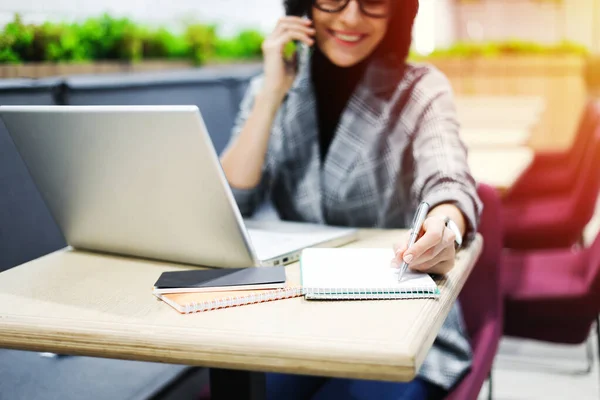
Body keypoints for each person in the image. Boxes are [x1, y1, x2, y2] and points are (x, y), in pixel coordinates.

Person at [220, 0, 482, 398]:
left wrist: (445, 225)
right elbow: (235, 202)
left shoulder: (420, 87)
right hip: (297, 313)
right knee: (250, 390)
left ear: (397, 11)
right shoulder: (271, 86)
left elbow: (448, 179)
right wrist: (271, 94)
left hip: (397, 317)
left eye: (373, 2)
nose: (350, 17)